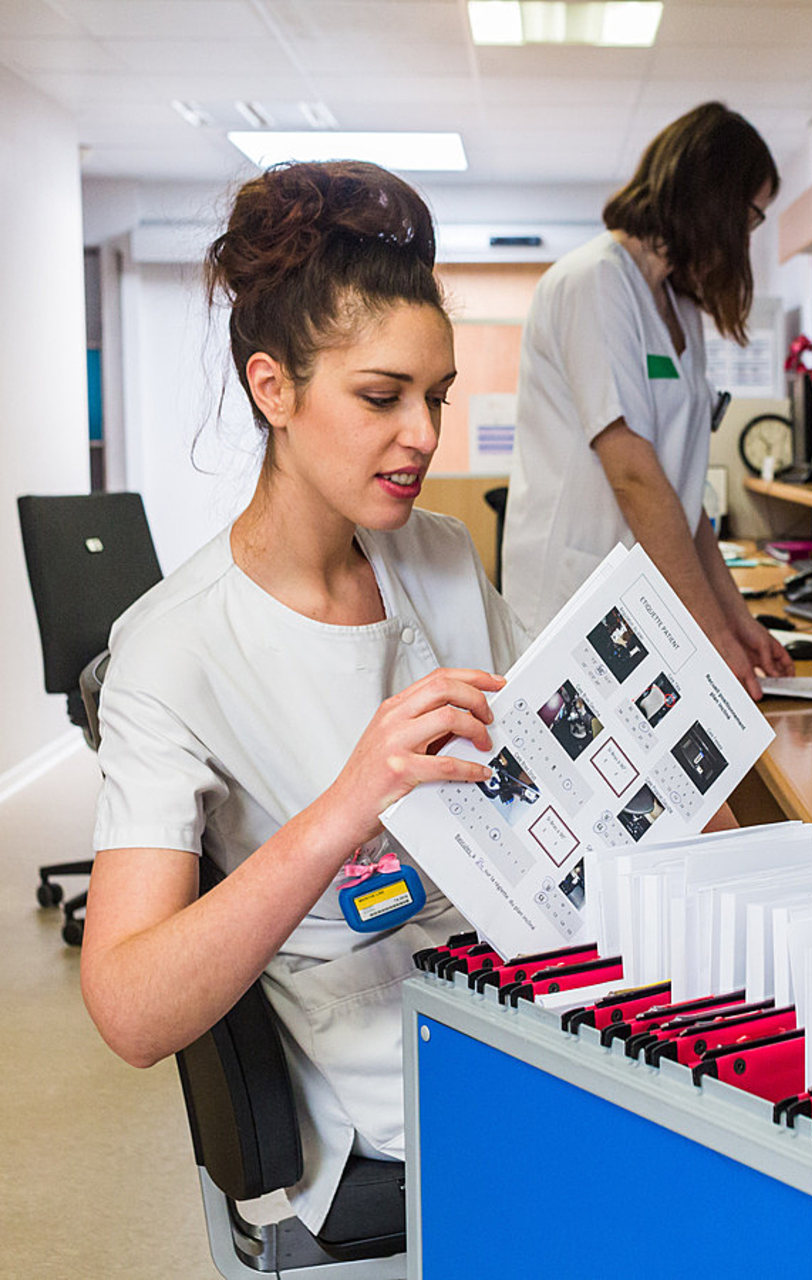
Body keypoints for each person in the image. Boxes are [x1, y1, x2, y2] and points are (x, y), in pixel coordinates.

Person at [79, 160, 530, 1233]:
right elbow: (131, 1008)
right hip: (398, 1079)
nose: (422, 434)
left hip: (545, 989)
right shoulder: (170, 651)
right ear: (272, 387)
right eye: (381, 397)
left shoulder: (443, 556)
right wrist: (346, 804)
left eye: (436, 397)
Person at [501, 101, 795, 699]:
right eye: (750, 216)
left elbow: (679, 495)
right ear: (714, 198)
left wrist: (736, 617)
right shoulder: (595, 281)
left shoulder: (677, 306)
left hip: (643, 594)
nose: (746, 236)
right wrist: (710, 636)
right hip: (578, 595)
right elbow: (634, 474)